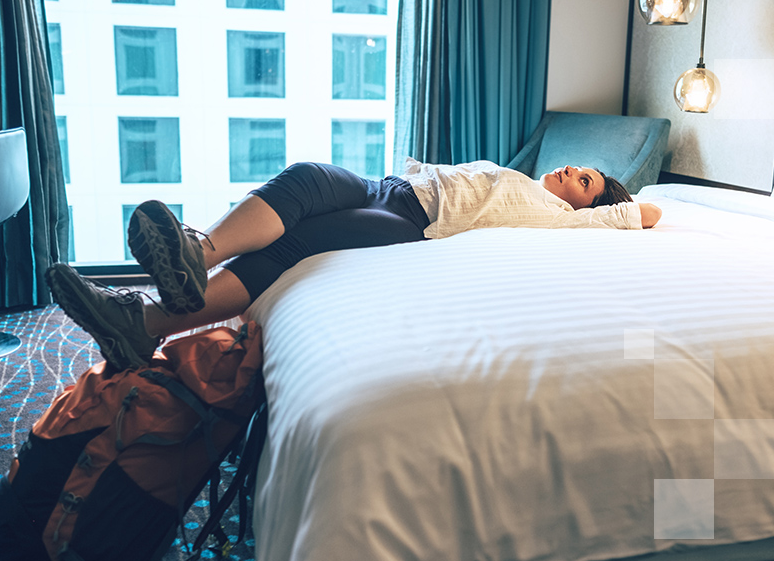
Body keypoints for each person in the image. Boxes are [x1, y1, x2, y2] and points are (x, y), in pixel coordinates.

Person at [46, 159, 663, 371]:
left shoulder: (566, 220)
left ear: (592, 203)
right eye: (577, 168)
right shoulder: (530, 184)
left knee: (297, 245)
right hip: (392, 187)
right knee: (305, 177)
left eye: (585, 181)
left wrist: (616, 206)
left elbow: (647, 215)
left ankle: (145, 325)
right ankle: (195, 254)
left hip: (412, 224)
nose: (570, 174)